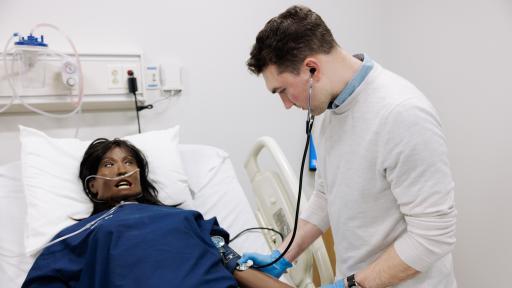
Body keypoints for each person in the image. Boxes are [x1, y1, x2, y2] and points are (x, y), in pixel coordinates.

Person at [240, 5, 457, 288]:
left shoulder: (402, 114)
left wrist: (352, 285)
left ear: (312, 69)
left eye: (282, 90)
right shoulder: (331, 109)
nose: (286, 104)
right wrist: (280, 257)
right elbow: (327, 195)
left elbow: (433, 235)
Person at [22, 138, 292, 288]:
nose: (121, 170)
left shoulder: (189, 219)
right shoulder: (76, 235)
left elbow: (236, 268)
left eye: (129, 162)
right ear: (93, 185)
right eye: (108, 164)